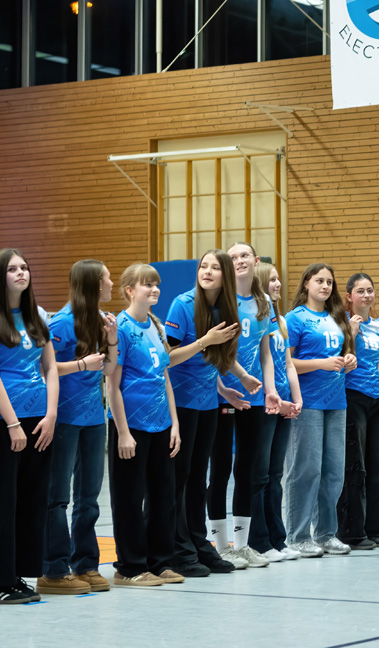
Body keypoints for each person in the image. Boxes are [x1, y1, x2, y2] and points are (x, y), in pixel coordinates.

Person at [0, 249, 59, 604]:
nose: (21, 273)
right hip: (3, 420)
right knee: (1, 501)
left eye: (24, 267)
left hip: (40, 419)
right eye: (12, 269)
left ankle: (17, 576)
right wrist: (12, 423)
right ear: (0, 276)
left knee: (32, 499)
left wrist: (51, 415)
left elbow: (50, 368)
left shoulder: (37, 315)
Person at [41, 260, 118, 594]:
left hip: (93, 420)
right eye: (108, 278)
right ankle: (53, 568)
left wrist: (111, 340)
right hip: (64, 419)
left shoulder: (101, 320)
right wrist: (80, 364)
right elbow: (44, 366)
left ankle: (85, 564)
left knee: (88, 498)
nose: (112, 284)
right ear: (95, 284)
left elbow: (109, 370)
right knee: (57, 498)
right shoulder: (61, 322)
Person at [164, 249, 241, 576]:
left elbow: (218, 358)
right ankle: (178, 549)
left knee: (198, 479)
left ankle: (197, 543)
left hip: (208, 403)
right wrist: (205, 341)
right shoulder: (182, 305)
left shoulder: (226, 307)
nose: (207, 271)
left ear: (225, 275)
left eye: (214, 267)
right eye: (203, 266)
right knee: (179, 479)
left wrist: (233, 382)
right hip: (180, 404)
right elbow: (168, 358)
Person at [105, 263, 183, 587]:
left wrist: (175, 424)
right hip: (131, 426)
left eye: (156, 284)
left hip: (160, 424)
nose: (154, 289)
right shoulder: (120, 328)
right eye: (147, 284)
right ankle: (130, 567)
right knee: (128, 498)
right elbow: (112, 385)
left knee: (163, 496)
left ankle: (159, 562)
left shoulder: (156, 325)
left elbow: (165, 377)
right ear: (129, 290)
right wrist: (122, 432)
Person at [208, 242, 277, 568]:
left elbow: (266, 353)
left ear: (255, 260)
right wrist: (235, 380)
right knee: (221, 467)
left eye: (244, 255)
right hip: (221, 394)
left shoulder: (263, 302)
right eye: (232, 257)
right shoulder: (221, 300)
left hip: (254, 396)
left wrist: (270, 390)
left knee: (247, 469)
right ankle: (221, 546)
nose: (238, 261)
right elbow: (215, 351)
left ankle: (243, 545)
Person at [284, 263, 354, 557]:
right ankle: (298, 536)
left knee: (334, 472)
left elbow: (344, 353)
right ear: (306, 284)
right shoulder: (295, 318)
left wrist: (349, 359)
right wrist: (321, 364)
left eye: (329, 282)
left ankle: (326, 534)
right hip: (307, 403)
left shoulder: (338, 317)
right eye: (319, 281)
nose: (325, 286)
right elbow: (286, 362)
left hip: (337, 403)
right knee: (306, 470)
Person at [250, 262, 302, 562]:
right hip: (265, 404)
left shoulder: (280, 321)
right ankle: (259, 541)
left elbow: (288, 364)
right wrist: (276, 399)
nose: (278, 284)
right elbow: (261, 361)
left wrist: (296, 399)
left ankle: (277, 539)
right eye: (271, 280)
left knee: (275, 474)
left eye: (278, 279)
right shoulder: (257, 320)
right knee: (259, 475)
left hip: (284, 404)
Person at [338, 272, 379, 549]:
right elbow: (338, 360)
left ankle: (374, 528)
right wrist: (350, 332)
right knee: (355, 466)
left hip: (376, 398)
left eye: (370, 290)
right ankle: (351, 531)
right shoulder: (342, 324)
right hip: (352, 397)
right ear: (349, 296)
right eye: (360, 291)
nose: (366, 295)